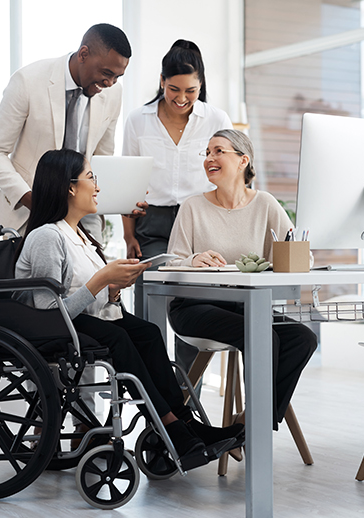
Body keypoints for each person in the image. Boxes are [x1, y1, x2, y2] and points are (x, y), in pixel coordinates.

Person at [14, 148, 244, 457]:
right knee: (120, 338)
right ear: (70, 187)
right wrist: (101, 280)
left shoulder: (81, 236)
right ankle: (171, 427)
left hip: (82, 319)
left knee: (147, 332)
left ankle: (186, 422)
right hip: (55, 327)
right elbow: (48, 312)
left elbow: (89, 294)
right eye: (91, 177)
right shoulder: (47, 237)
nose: (97, 186)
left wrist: (113, 288)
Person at [167, 129, 318, 430]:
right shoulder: (193, 207)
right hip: (193, 306)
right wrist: (192, 260)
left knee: (303, 338)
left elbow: (303, 258)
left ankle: (249, 422)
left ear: (242, 160)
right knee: (261, 333)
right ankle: (255, 427)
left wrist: (276, 262)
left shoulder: (265, 204)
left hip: (243, 307)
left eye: (218, 151)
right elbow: (172, 262)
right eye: (207, 153)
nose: (209, 158)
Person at [122, 39, 232, 377]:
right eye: (174, 89)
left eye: (191, 90)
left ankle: (187, 401)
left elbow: (227, 174)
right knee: (150, 308)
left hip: (199, 220)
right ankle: (154, 398)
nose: (182, 98)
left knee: (192, 310)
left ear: (201, 85)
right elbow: (127, 179)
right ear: (161, 81)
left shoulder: (215, 118)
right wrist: (128, 236)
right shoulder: (138, 120)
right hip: (151, 224)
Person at [0, 23, 136, 242]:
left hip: (83, 219)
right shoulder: (28, 81)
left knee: (92, 275)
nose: (110, 83)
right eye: (106, 73)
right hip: (29, 213)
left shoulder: (113, 94)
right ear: (84, 54)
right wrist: (32, 200)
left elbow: (101, 159)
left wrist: (122, 200)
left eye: (117, 77)